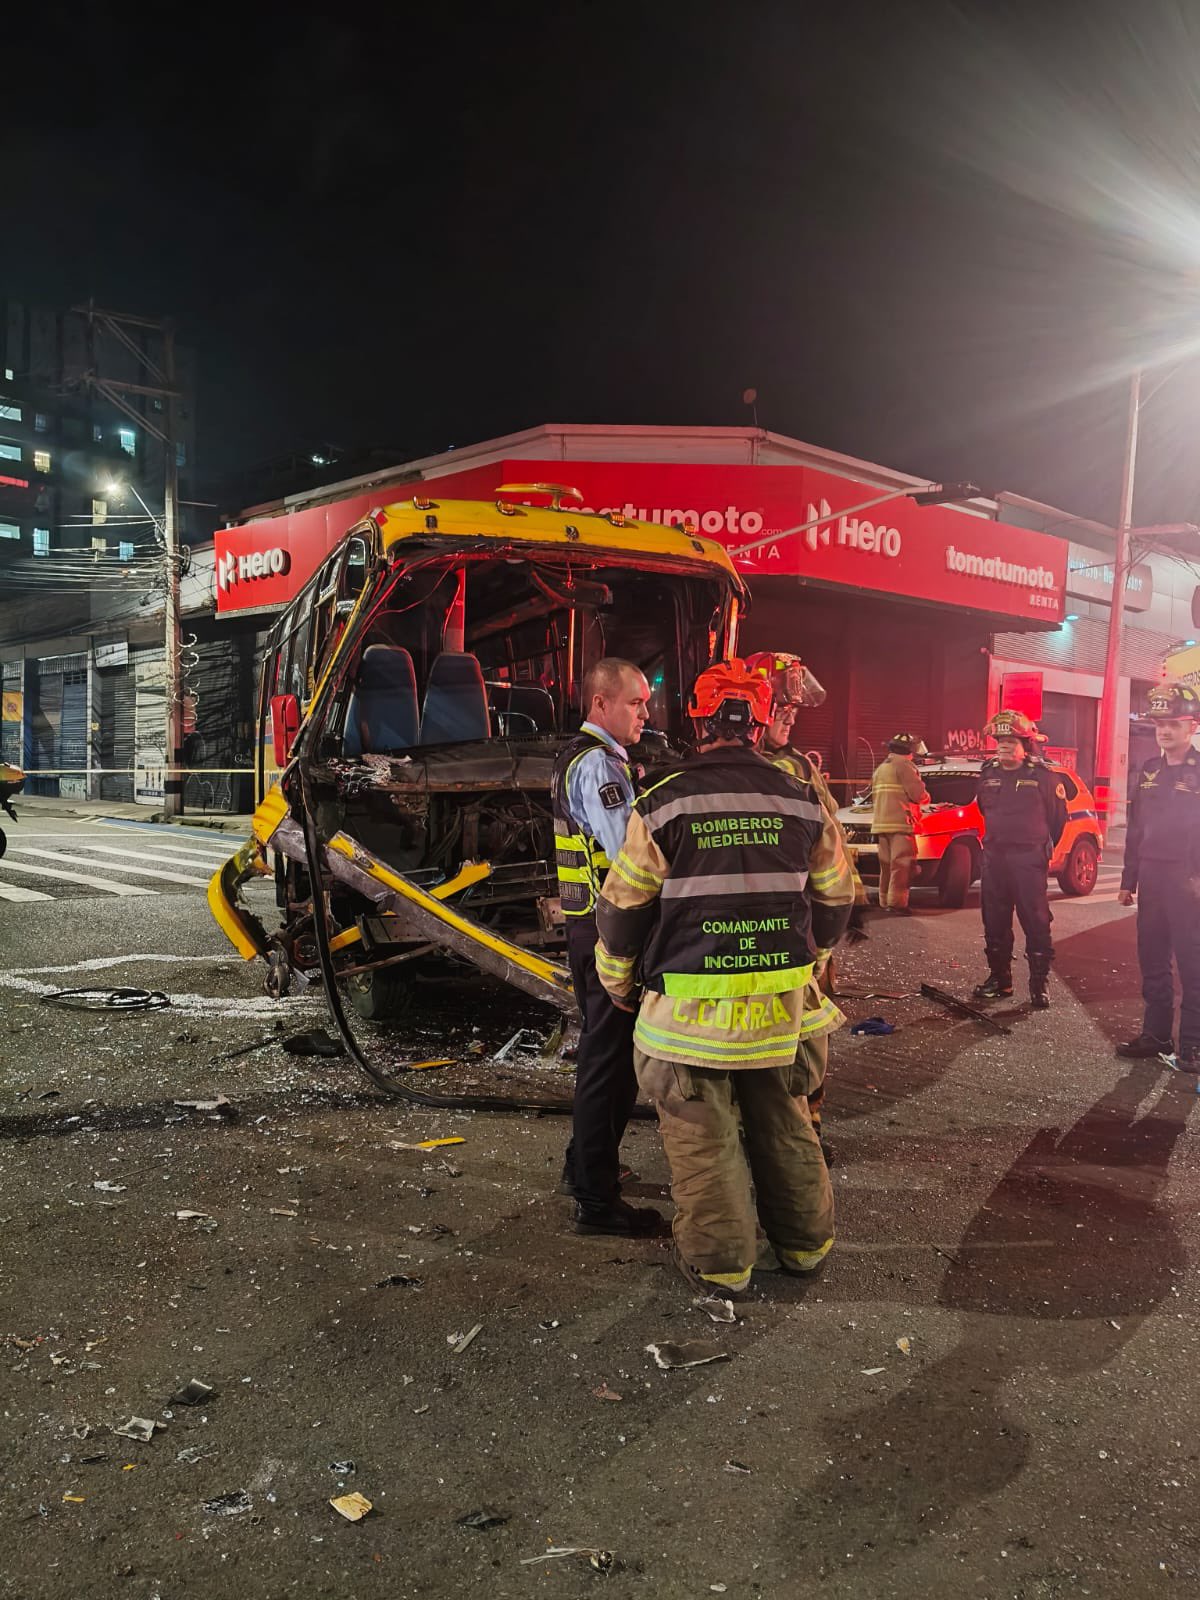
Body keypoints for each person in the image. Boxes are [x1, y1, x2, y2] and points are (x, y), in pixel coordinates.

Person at [594, 659, 855, 1297]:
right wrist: (808, 962)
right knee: (786, 1124)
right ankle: (804, 1248)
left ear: (700, 719)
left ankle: (722, 1265)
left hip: (687, 1015)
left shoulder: (663, 797)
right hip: (780, 1012)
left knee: (703, 1141)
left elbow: (623, 911)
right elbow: (837, 901)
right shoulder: (800, 796)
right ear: (762, 721)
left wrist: (620, 983)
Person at [552, 657, 664, 1237]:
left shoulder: (587, 759)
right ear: (601, 703)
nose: (646, 712)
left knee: (606, 1058)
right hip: (606, 933)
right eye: (635, 702)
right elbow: (632, 855)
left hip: (587, 928)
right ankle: (596, 1200)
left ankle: (583, 1168)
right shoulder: (599, 767)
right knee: (609, 1064)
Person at [746, 650, 864, 1163]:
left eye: (794, 711)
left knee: (809, 1029)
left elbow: (830, 842)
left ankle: (806, 1122)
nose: (790, 718)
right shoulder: (738, 769)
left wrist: (844, 909)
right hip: (765, 926)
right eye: (780, 708)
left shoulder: (796, 765)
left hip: (806, 925)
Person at [1116, 681, 1200, 1069]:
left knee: (1193, 963)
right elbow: (1136, 828)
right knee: (1152, 959)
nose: (1164, 731)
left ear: (1193, 726)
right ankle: (1156, 1035)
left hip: (1190, 883)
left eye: (1174, 724)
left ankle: (1193, 1046)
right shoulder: (1148, 769)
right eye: (1159, 724)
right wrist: (1127, 880)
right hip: (1151, 878)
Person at [972, 709, 1067, 1009]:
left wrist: (1036, 847)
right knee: (994, 922)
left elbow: (1058, 820)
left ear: (1025, 745)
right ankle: (1000, 980)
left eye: (1010, 741)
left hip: (1028, 861)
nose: (1003, 746)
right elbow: (984, 811)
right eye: (999, 740)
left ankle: (1039, 985)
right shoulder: (988, 774)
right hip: (995, 859)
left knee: (1037, 923)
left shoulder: (1043, 776)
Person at [870, 733, 930, 914]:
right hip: (900, 824)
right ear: (909, 750)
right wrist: (927, 798)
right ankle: (897, 904)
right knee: (902, 866)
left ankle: (884, 900)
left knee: (887, 866)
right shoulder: (905, 766)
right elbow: (918, 795)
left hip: (882, 823)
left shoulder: (882, 767)